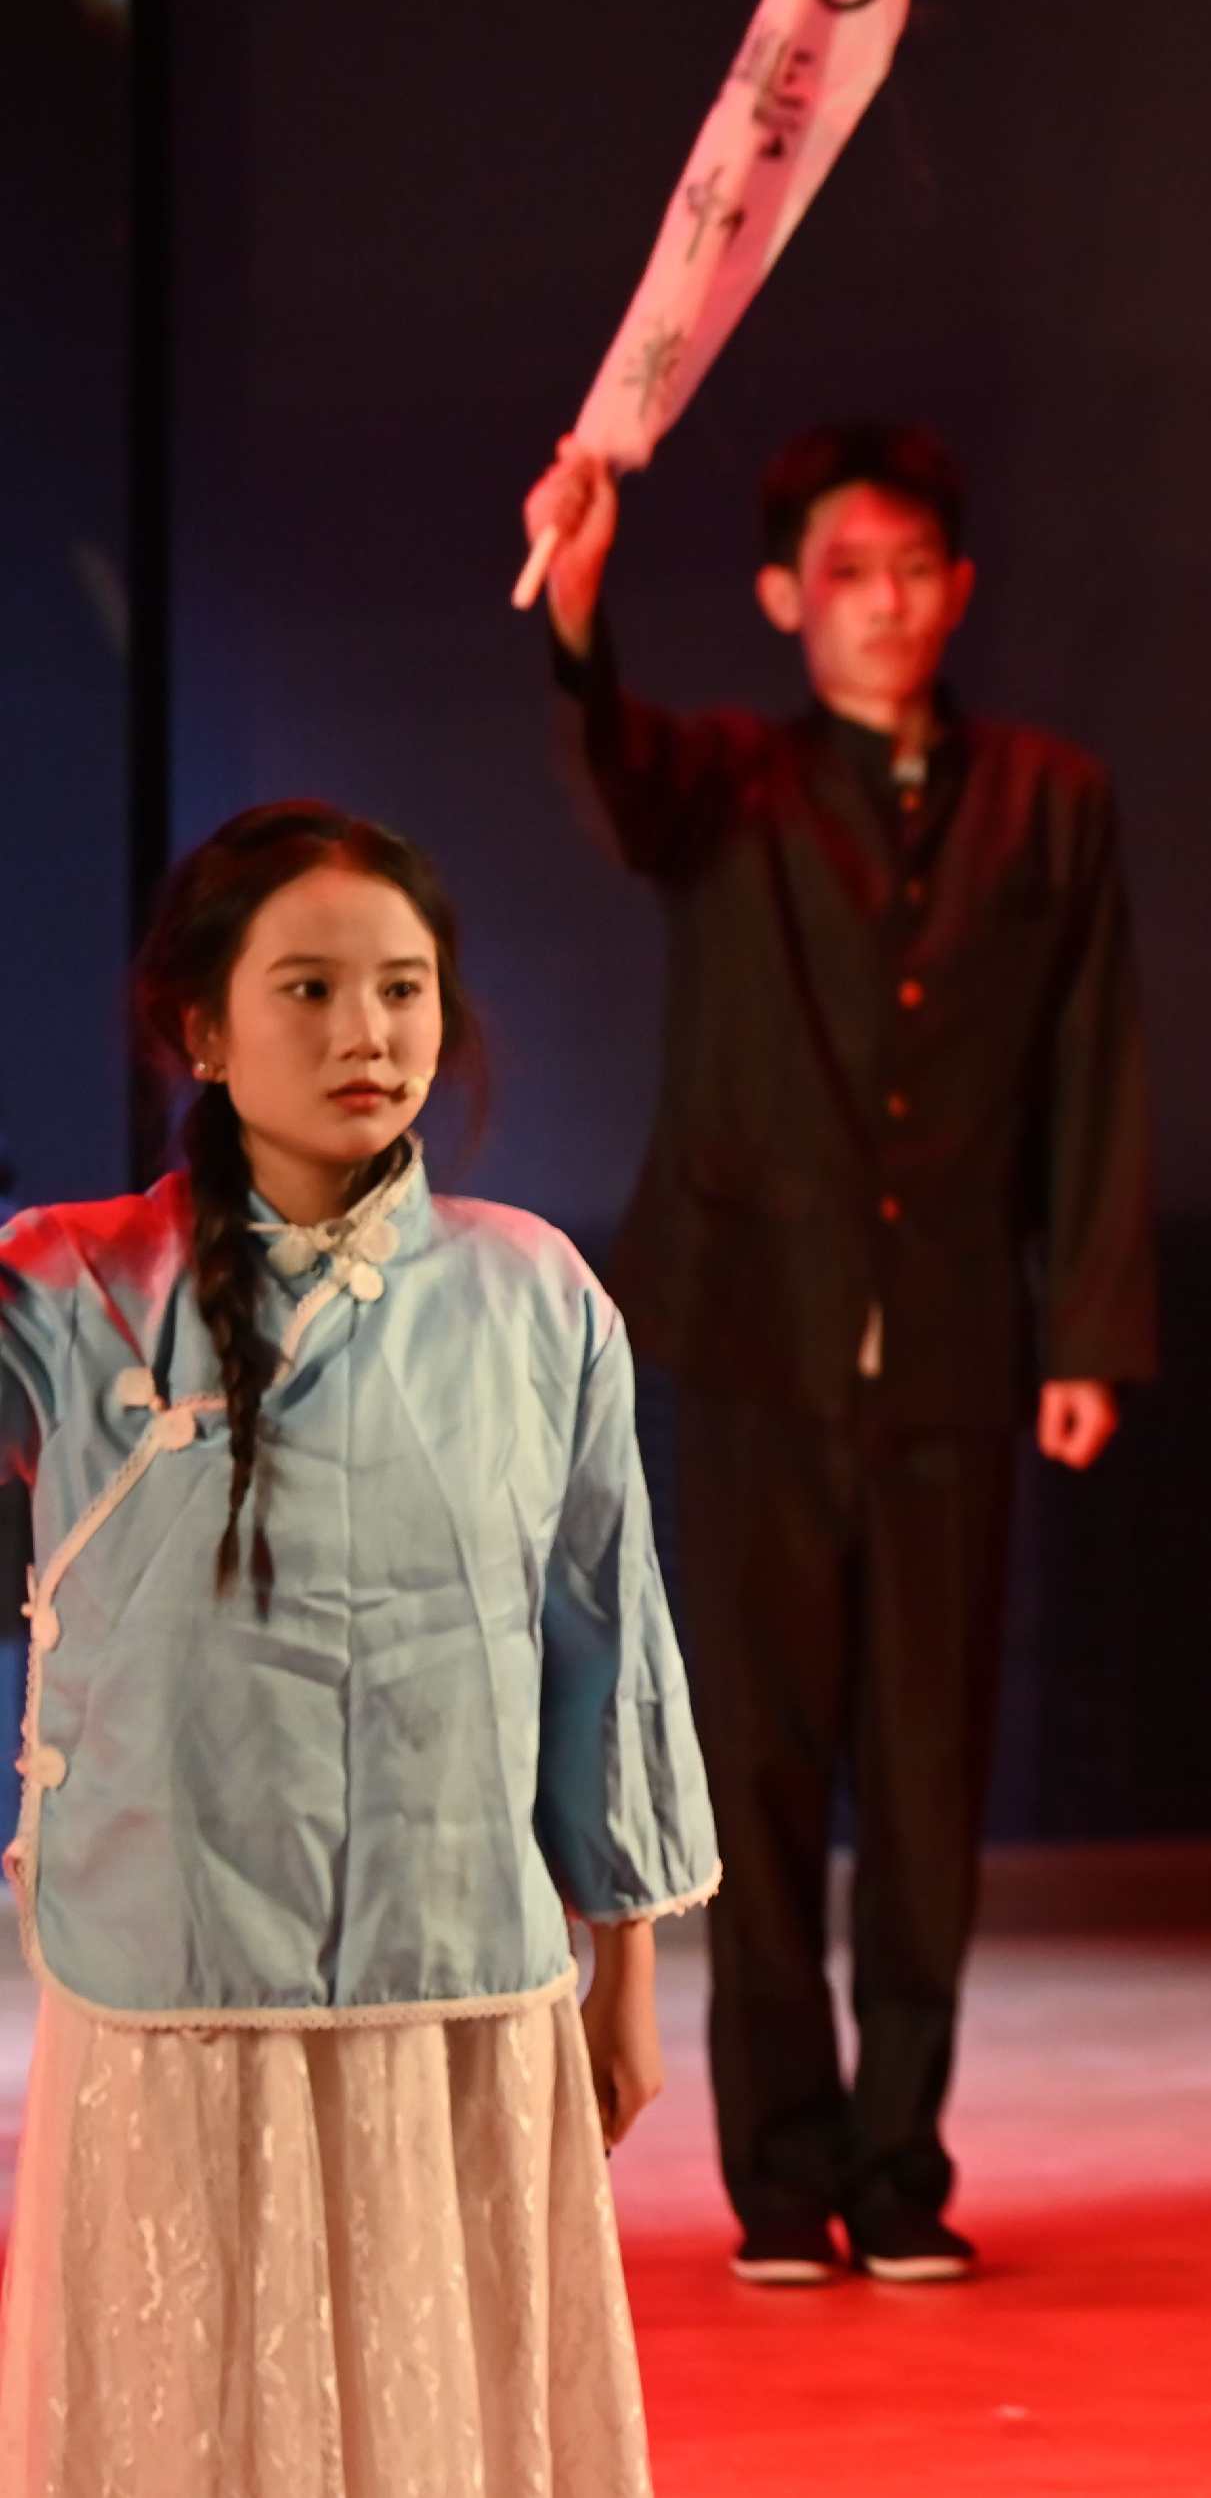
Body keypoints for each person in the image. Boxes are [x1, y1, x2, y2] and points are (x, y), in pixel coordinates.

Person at [0, 802, 716, 2494]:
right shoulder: (70, 1284)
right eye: (308, 989)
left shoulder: (535, 1294)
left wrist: (625, 1979)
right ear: (203, 1027)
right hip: (173, 1974)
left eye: (401, 987)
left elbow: (601, 1642)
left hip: (451, 1971)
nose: (366, 1033)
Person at [515, 422, 1156, 2284]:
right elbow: (617, 770)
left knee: (931, 1771)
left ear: (959, 590)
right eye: (846, 573)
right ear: (786, 597)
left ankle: (902, 2166)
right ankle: (784, 2176)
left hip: (955, 1340)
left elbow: (1097, 1065)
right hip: (750, 1343)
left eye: (912, 570)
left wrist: (1087, 1330)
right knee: (765, 1762)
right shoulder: (732, 782)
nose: (882, 604)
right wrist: (576, 605)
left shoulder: (1049, 800)